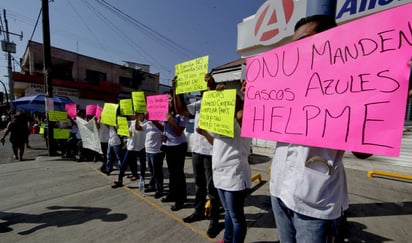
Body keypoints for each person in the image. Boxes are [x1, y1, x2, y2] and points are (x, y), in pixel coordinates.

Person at [267, 15, 349, 243]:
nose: (295, 49)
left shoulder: (348, 86)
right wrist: (255, 95)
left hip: (315, 203)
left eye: (303, 41)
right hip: (279, 192)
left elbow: (363, 151)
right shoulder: (284, 87)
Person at [197, 85, 251, 243]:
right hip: (219, 174)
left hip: (234, 174)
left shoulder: (241, 122)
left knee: (236, 218)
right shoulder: (221, 123)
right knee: (227, 212)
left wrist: (241, 94)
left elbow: (243, 114)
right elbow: (217, 143)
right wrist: (205, 132)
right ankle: (227, 239)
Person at [173, 73, 222, 238]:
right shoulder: (199, 104)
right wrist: (175, 89)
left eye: (207, 86)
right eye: (203, 87)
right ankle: (198, 211)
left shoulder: (220, 101)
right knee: (199, 185)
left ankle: (214, 221)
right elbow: (180, 109)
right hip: (197, 151)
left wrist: (215, 88)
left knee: (212, 189)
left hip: (211, 152)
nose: (204, 89)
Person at [161, 90, 188, 211]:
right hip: (168, 146)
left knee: (178, 174)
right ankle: (172, 194)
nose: (168, 101)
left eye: (170, 99)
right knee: (172, 173)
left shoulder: (182, 113)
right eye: (166, 99)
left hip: (178, 146)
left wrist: (170, 119)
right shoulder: (166, 112)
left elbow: (178, 131)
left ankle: (180, 199)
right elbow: (164, 128)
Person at [111, 112, 145, 188]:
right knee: (124, 163)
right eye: (134, 113)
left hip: (141, 147)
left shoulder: (145, 123)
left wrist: (136, 119)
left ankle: (142, 182)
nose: (134, 114)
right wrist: (120, 127)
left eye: (136, 114)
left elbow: (138, 128)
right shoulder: (131, 122)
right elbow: (126, 132)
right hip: (131, 146)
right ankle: (120, 180)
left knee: (143, 165)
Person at [140, 116, 165, 199]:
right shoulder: (147, 122)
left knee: (157, 171)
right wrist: (137, 117)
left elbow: (164, 129)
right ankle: (153, 186)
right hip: (148, 150)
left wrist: (154, 121)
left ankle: (159, 189)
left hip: (157, 151)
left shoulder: (161, 120)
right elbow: (138, 128)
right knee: (151, 170)